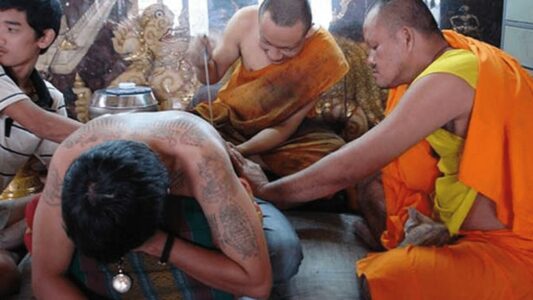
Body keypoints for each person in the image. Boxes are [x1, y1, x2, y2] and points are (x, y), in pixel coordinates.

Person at [229, 0, 533, 298]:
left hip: (511, 251)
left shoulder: (450, 77)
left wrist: (269, 191)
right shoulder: (452, 58)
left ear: (406, 37)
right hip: (462, 229)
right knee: (375, 184)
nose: (369, 58)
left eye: (375, 47)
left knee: (383, 280)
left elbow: (350, 165)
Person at [30, 111, 302, 299]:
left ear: (166, 193)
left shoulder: (200, 158)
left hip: (209, 205)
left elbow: (256, 283)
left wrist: (157, 244)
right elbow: (46, 278)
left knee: (281, 251)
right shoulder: (68, 162)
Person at [187, 0, 349, 178]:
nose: (274, 55)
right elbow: (211, 77)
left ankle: (253, 165)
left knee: (333, 153)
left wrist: (241, 150)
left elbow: (285, 126)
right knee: (187, 133)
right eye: (265, 43)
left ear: (308, 32)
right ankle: (257, 168)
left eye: (288, 49)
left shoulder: (323, 53)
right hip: (229, 122)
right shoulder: (245, 22)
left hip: (282, 138)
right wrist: (200, 64)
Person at [0, 0, 81, 296]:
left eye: (10, 28)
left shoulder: (50, 99)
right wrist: (131, 134)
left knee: (67, 197)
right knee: (5, 273)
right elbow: (40, 124)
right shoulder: (35, 112)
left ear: (44, 38)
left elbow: (68, 159)